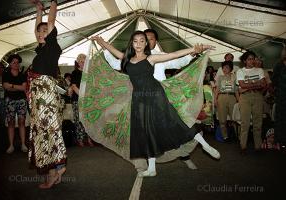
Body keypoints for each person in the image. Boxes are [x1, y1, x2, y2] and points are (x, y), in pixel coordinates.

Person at [91, 31, 220, 177]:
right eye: (135, 41)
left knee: (173, 122)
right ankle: (151, 169)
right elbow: (113, 51)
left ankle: (205, 145)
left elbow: (174, 55)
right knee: (147, 131)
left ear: (146, 43)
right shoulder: (127, 59)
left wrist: (196, 49)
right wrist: (102, 42)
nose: (138, 44)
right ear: (131, 43)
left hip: (155, 95)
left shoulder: (151, 58)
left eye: (142, 41)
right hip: (139, 100)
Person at [29, 0, 66, 189]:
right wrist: (38, 11)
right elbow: (39, 27)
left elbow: (50, 21)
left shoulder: (52, 47)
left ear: (51, 33)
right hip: (38, 97)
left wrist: (53, 3)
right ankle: (56, 168)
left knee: (46, 132)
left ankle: (54, 171)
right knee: (44, 132)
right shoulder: (41, 50)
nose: (41, 33)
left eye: (45, 31)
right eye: (38, 31)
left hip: (46, 95)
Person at [236, 51, 266, 155]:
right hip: (245, 98)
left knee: (258, 123)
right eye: (249, 59)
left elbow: (263, 84)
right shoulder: (240, 71)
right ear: (244, 61)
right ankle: (243, 147)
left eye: (253, 58)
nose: (252, 61)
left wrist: (247, 85)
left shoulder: (260, 70)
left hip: (258, 97)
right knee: (245, 123)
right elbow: (241, 85)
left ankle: (258, 147)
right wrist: (256, 84)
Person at [2, 54, 28, 154]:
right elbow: (5, 87)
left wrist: (12, 86)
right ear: (10, 64)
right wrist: (18, 87)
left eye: (17, 62)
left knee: (22, 122)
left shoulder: (22, 75)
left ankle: (23, 144)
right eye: (14, 62)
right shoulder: (6, 74)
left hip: (22, 100)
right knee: (11, 123)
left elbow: (24, 88)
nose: (16, 64)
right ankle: (11, 145)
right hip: (10, 100)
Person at [70, 53, 95, 147]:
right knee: (78, 120)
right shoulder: (75, 73)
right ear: (78, 63)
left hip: (88, 100)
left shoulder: (89, 73)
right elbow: (74, 86)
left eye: (84, 61)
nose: (82, 63)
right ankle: (80, 139)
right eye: (80, 61)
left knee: (88, 120)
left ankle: (89, 138)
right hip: (78, 99)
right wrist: (83, 97)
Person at [214, 61, 239, 142]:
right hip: (222, 97)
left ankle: (237, 136)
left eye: (227, 67)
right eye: (223, 67)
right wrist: (215, 99)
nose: (224, 69)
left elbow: (236, 91)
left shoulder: (234, 77)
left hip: (232, 97)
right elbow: (217, 89)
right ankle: (225, 137)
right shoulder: (220, 77)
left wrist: (239, 101)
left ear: (231, 69)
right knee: (222, 119)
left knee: (234, 118)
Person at [272, 45, 286, 150]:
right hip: (282, 97)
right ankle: (279, 142)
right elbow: (274, 81)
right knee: (280, 119)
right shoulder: (279, 65)